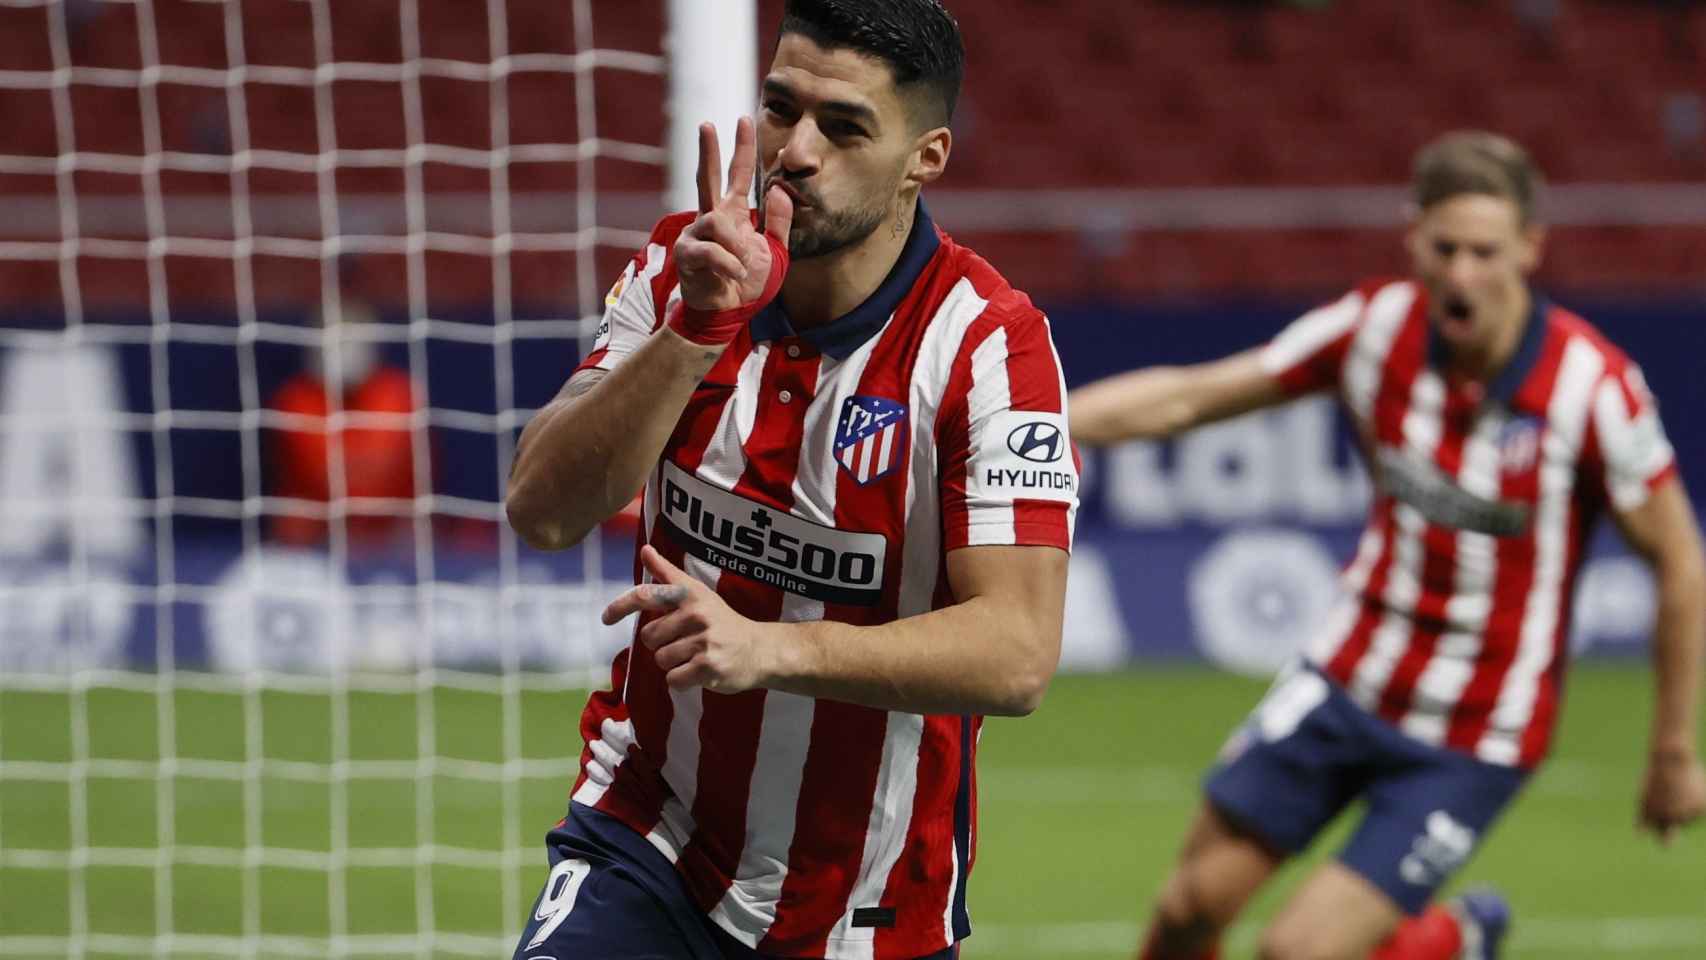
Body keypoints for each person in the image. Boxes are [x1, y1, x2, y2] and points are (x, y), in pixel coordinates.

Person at [504, 2, 1077, 957]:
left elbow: (1018, 655)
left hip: (867, 900)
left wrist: (772, 650)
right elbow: (543, 511)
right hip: (650, 831)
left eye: (845, 126)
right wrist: (695, 329)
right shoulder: (682, 266)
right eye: (780, 108)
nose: (796, 151)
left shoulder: (989, 350)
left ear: (925, 158)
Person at [1069, 131, 1706, 960]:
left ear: (1530, 249)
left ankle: (1447, 938)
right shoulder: (1373, 328)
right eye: (1445, 249)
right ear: (1415, 239)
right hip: (1347, 678)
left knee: (1296, 952)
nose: (1462, 274)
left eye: (1486, 251)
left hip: (1478, 730)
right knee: (1190, 905)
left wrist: (1672, 750)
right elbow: (1193, 398)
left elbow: (1679, 560)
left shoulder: (1595, 390)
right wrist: (1035, 418)